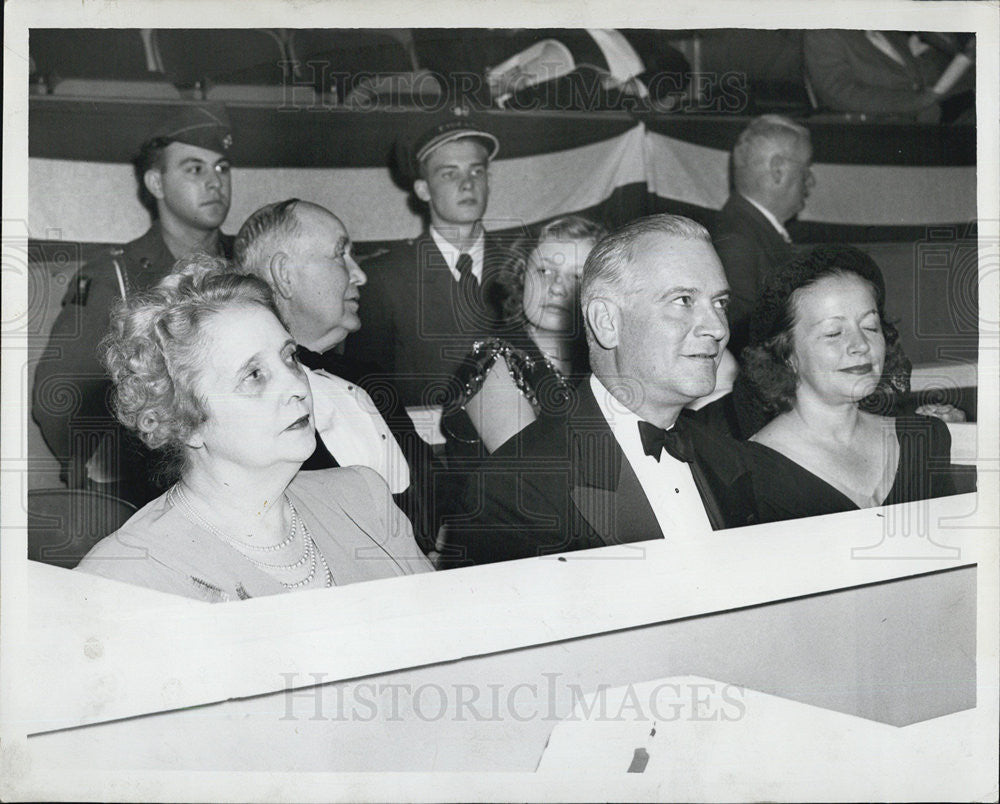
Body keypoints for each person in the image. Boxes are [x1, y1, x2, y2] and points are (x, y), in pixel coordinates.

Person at [76, 256, 432, 601]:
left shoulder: (363, 497)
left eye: (290, 357)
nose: (297, 385)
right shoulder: (123, 576)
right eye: (254, 376)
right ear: (185, 421)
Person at [439, 214, 759, 569]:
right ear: (605, 319)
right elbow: (546, 474)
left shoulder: (728, 458)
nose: (559, 288)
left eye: (721, 303)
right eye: (545, 272)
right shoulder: (517, 475)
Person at [33, 104, 236, 506]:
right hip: (155, 487)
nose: (215, 182)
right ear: (156, 183)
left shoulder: (250, 266)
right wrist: (104, 473)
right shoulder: (116, 277)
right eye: (195, 169)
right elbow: (59, 396)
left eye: (222, 168)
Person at [233, 198, 439, 554]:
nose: (359, 274)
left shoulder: (370, 380)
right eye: (339, 254)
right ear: (285, 275)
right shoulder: (248, 408)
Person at [737, 245, 968, 523]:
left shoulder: (924, 440)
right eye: (834, 333)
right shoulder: (752, 472)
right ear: (786, 354)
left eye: (870, 327)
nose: (860, 345)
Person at [344, 107, 506, 409]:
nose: (467, 183)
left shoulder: (523, 268)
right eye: (449, 173)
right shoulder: (384, 279)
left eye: (477, 170)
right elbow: (366, 394)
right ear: (422, 189)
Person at [441, 215, 606, 458]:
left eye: (578, 277)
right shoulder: (493, 361)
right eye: (545, 270)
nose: (558, 287)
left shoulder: (595, 363)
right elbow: (536, 480)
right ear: (521, 275)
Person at [712, 114, 814, 360]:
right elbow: (744, 344)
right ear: (778, 169)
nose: (811, 181)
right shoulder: (738, 241)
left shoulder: (748, 231)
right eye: (806, 169)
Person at [803, 30, 971, 123]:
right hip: (877, 134)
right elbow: (840, 94)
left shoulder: (890, 33)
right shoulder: (824, 34)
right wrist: (918, 101)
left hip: (931, 122)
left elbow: (919, 79)